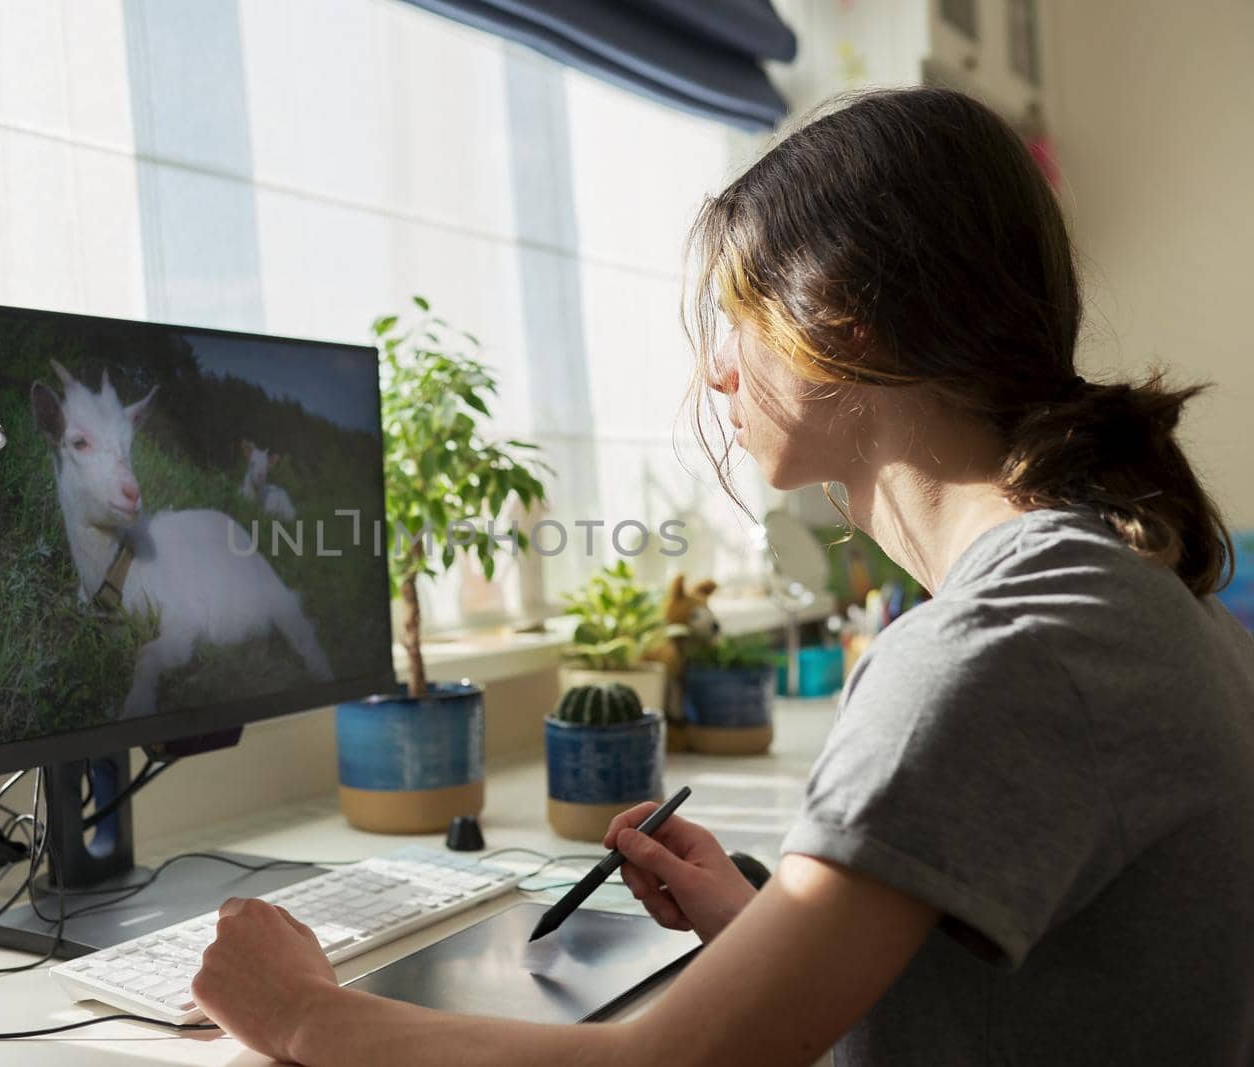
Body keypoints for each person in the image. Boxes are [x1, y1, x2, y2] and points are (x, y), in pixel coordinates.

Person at [189, 87, 1254, 1066]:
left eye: (735, 319)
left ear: (843, 319)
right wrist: (758, 928)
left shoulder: (997, 647)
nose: (716, 369)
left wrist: (303, 1010)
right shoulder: (1107, 585)